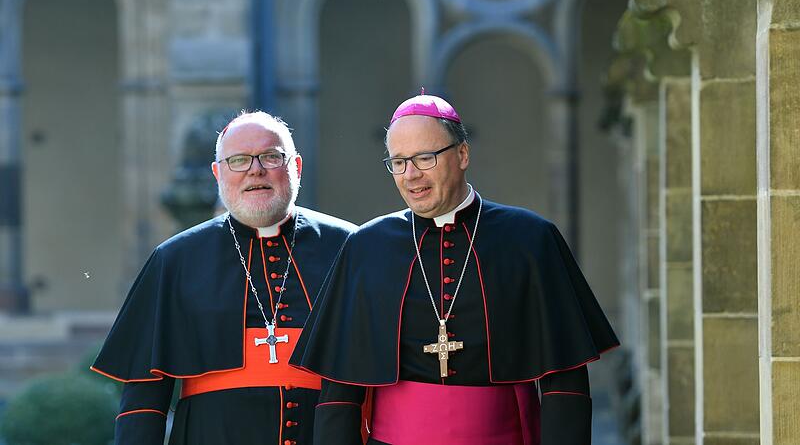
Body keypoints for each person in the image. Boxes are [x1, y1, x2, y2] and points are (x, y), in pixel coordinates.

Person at [290, 94, 619, 445]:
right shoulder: (366, 247)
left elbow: (564, 385)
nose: (411, 175)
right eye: (398, 162)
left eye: (425, 158)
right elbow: (340, 392)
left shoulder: (529, 240)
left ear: (462, 155)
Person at [92, 111, 356, 445]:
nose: (255, 169)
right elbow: (143, 401)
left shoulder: (348, 248)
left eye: (271, 157)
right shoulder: (175, 260)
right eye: (239, 160)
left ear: (296, 167)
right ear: (218, 173)